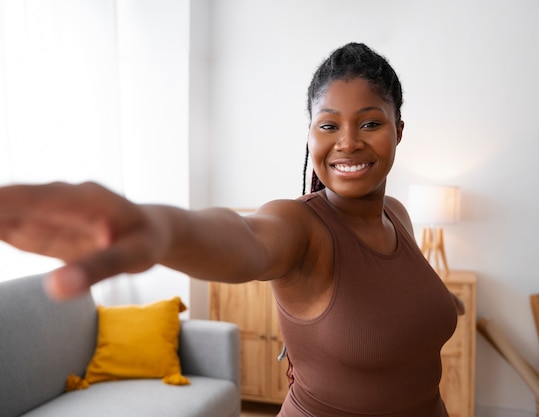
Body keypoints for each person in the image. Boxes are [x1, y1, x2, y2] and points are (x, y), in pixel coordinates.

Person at [0, 42, 463, 417]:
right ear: (310, 135)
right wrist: (163, 230)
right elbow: (245, 237)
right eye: (328, 124)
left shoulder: (398, 215)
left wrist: (439, 302)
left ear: (398, 130)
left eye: (370, 122)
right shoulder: (301, 226)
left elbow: (396, 300)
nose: (347, 141)